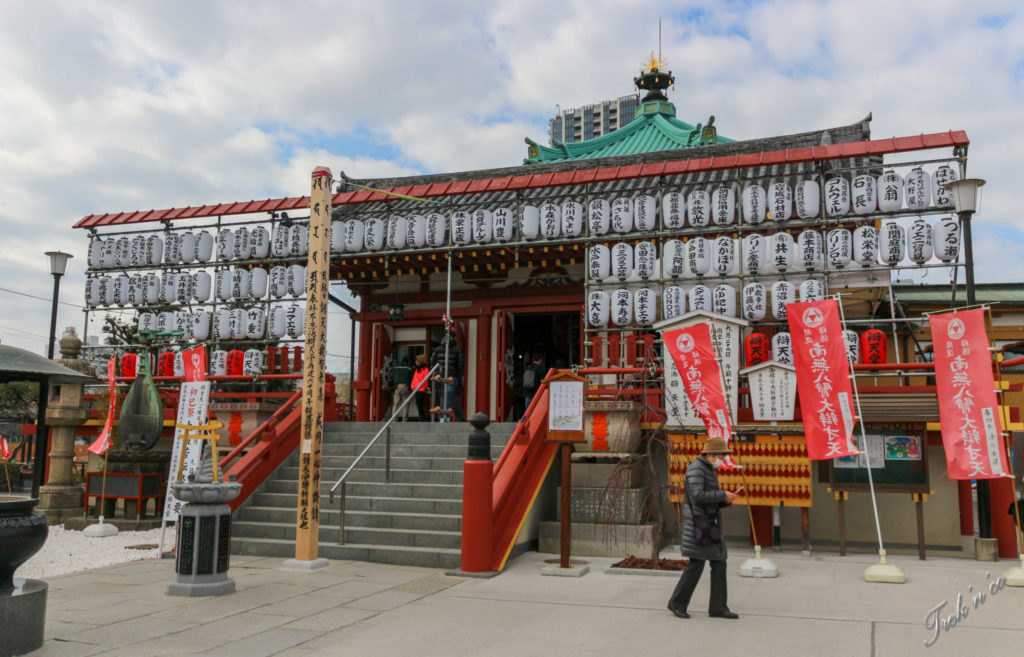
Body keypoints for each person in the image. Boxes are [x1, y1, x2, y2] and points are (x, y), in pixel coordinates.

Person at [668, 436, 739, 620]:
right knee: (697, 564)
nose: (722, 460)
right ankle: (677, 603)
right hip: (698, 525)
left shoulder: (706, 468)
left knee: (718, 562)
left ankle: (718, 607)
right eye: (721, 456)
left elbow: (707, 498)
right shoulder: (696, 469)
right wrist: (723, 495)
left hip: (707, 523)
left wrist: (724, 501)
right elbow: (698, 496)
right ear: (711, 454)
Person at [430, 331, 465, 421]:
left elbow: (432, 361)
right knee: (449, 398)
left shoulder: (437, 349)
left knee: (445, 396)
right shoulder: (457, 349)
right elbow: (460, 364)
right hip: (453, 376)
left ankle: (444, 417)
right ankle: (444, 417)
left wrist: (436, 372)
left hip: (440, 376)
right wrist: (460, 376)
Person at [390, 356, 413, 421]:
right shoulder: (409, 367)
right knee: (405, 403)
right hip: (406, 386)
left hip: (398, 385)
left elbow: (392, 376)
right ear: (408, 361)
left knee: (395, 403)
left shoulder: (396, 367)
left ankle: (394, 419)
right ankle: (404, 420)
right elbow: (412, 377)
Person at [411, 353, 430, 422]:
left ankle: (422, 417)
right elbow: (414, 378)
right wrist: (412, 386)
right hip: (416, 389)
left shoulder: (426, 369)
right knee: (418, 403)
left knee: (419, 403)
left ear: (420, 361)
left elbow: (425, 379)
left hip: (421, 389)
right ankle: (421, 416)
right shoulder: (417, 369)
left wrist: (418, 386)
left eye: (417, 360)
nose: (415, 362)